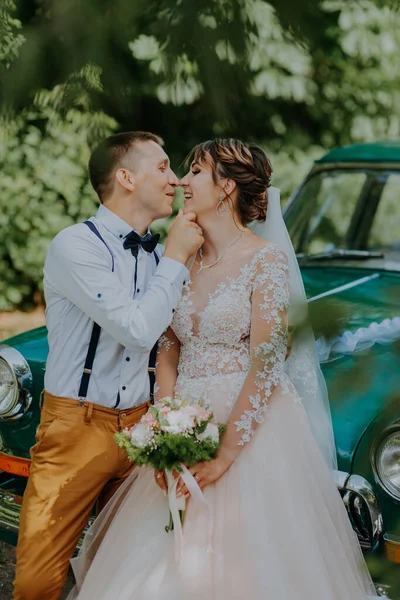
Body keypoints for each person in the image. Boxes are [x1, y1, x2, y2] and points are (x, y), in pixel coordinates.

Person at [68, 139, 379, 599]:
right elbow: (168, 350)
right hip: (185, 417)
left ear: (226, 187)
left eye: (195, 171)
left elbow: (267, 361)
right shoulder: (181, 260)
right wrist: (167, 431)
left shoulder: (264, 260)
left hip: (251, 428)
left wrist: (224, 455)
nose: (183, 181)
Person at [13, 131, 203, 600]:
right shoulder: (75, 246)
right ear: (125, 176)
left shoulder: (160, 253)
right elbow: (137, 328)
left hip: (143, 427)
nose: (175, 180)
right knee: (36, 583)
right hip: (76, 429)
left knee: (128, 575)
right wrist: (176, 258)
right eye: (162, 168)